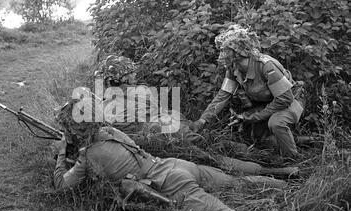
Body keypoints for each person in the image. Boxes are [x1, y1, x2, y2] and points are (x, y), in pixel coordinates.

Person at [52, 98, 332, 211]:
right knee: (236, 182)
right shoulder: (111, 131)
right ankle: (288, 182)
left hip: (169, 184)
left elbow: (62, 186)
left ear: (74, 130)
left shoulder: (88, 156)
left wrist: (60, 155)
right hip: (176, 165)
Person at [93, 55, 299, 178]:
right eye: (131, 72)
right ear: (125, 76)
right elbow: (160, 113)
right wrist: (191, 124)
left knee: (215, 160)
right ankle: (276, 164)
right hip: (173, 130)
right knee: (219, 149)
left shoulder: (105, 106)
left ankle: (272, 171)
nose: (134, 74)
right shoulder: (143, 91)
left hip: (162, 141)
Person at [191, 25, 306, 158]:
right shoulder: (234, 68)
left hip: (292, 99)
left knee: (276, 123)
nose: (221, 55)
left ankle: (293, 161)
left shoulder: (266, 66)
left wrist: (253, 117)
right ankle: (301, 141)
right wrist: (202, 120)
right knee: (257, 138)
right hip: (270, 103)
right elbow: (223, 96)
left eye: (224, 50)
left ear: (237, 51)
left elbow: (285, 99)